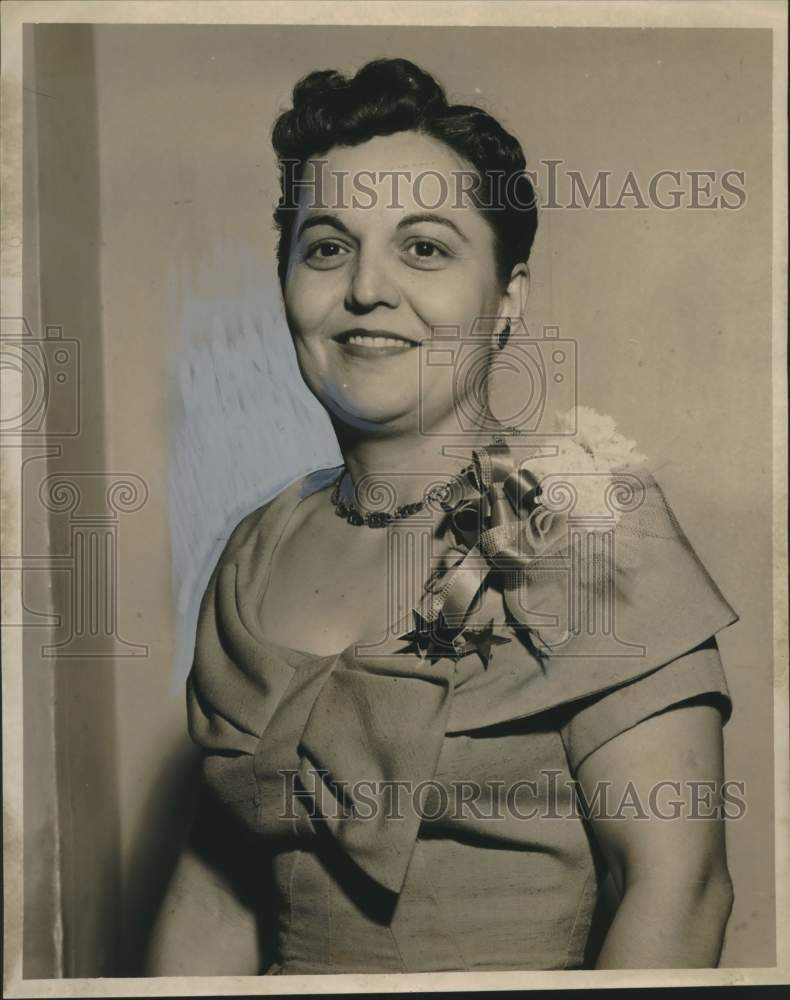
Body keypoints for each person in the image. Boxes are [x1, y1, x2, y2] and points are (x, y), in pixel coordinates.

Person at [146, 58, 738, 975]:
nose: (366, 291)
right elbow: (212, 899)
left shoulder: (585, 528)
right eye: (327, 246)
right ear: (287, 285)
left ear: (507, 300)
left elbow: (678, 886)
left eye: (424, 247)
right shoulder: (257, 549)